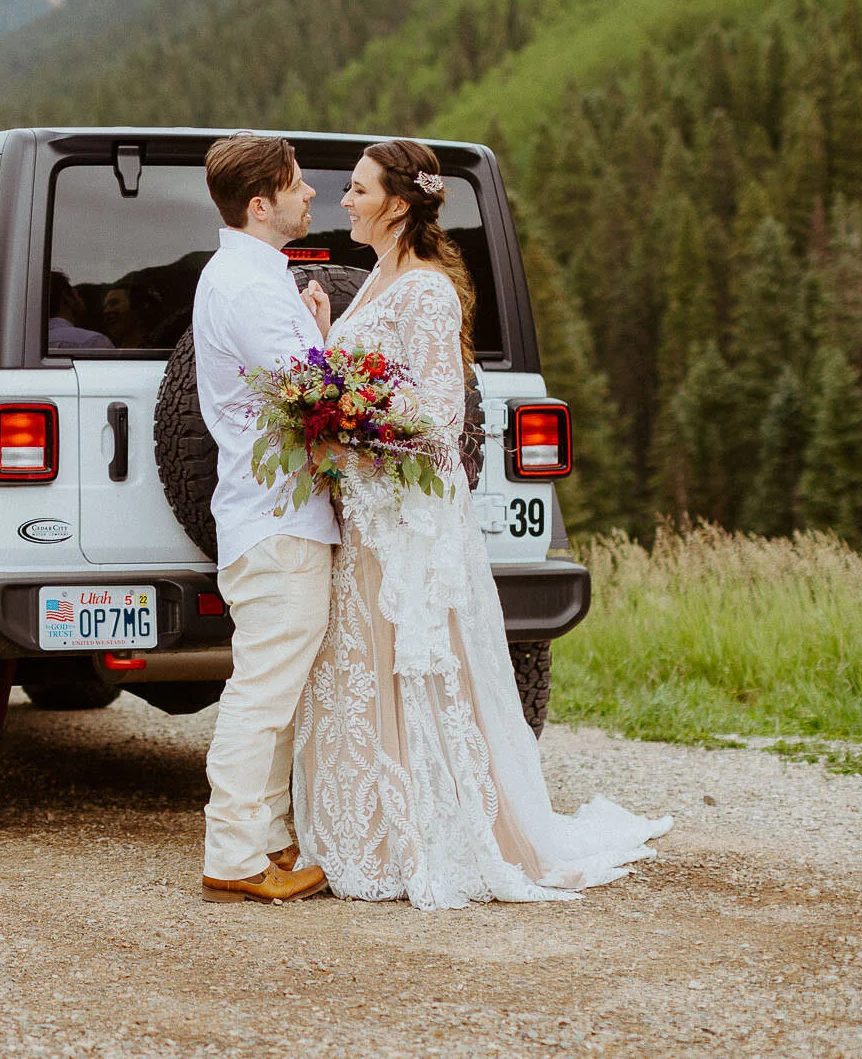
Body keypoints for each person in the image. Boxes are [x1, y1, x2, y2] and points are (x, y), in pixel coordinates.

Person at [292, 139, 670, 909]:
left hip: (402, 516)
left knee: (412, 670)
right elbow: (365, 375)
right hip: (366, 510)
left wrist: (350, 434)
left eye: (358, 190)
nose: (345, 201)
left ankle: (434, 836)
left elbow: (436, 413)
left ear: (397, 203)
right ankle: (367, 833)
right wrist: (325, 333)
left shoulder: (427, 292)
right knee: (364, 671)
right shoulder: (373, 282)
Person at [192, 133, 342, 904]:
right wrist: (324, 341)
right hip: (275, 516)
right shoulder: (247, 287)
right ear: (261, 204)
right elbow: (311, 394)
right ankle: (234, 853)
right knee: (261, 688)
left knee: (276, 685)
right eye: (296, 183)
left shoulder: (253, 275)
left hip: (276, 513)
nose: (311, 192)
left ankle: (272, 839)